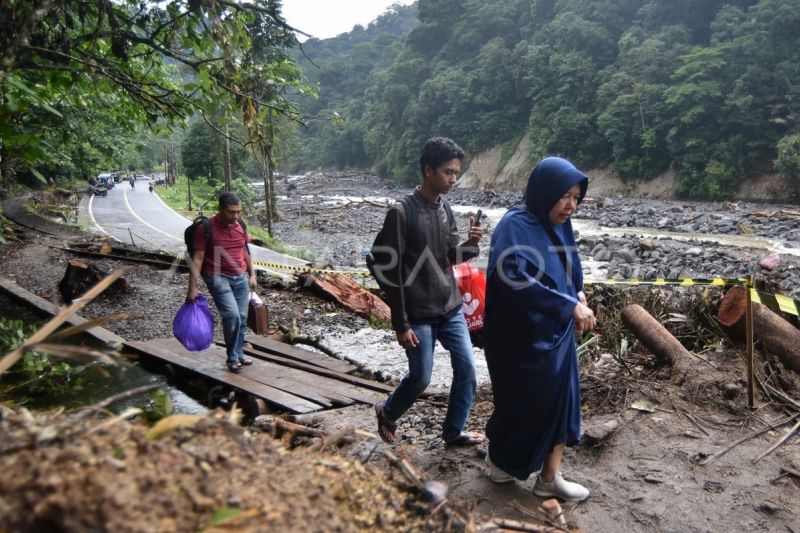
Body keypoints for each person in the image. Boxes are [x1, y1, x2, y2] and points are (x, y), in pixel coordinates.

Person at [483, 157, 596, 502]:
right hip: (517, 338)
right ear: (544, 191)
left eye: (577, 198)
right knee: (521, 404)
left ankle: (550, 476)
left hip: (555, 331)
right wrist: (568, 306)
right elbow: (514, 278)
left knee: (562, 399)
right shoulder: (513, 226)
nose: (570, 206)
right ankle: (501, 460)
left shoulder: (559, 225)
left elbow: (569, 268)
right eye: (565, 196)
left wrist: (577, 294)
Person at [373, 137, 485, 446]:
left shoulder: (445, 208)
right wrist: (400, 323)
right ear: (427, 171)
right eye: (448, 172)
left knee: (467, 369)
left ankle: (453, 431)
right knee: (421, 377)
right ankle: (389, 411)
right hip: (418, 313)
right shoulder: (401, 213)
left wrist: (472, 245)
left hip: (449, 307)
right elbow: (391, 271)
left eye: (456, 172)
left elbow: (451, 257)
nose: (453, 179)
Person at [186, 192, 257, 372]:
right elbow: (198, 259)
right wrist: (192, 289)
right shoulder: (206, 228)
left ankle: (239, 353)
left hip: (240, 275)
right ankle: (232, 357)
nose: (235, 217)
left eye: (239, 212)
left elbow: (245, 251)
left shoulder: (240, 225)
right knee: (231, 316)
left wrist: (252, 275)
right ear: (220, 210)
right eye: (231, 212)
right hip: (217, 276)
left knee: (242, 317)